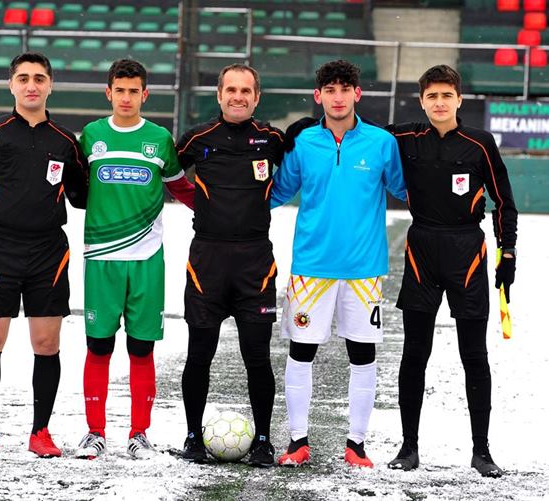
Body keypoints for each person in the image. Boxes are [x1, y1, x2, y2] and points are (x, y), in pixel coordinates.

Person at [271, 60, 407, 468]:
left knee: (362, 355)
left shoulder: (381, 143)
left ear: (357, 94)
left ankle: (357, 445)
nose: (337, 96)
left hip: (364, 270)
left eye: (345, 88)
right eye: (329, 89)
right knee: (301, 353)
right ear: (318, 96)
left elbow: (408, 189)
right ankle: (298, 441)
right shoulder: (304, 142)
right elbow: (275, 192)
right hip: (311, 267)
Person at [386, 65, 517, 478]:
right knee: (414, 353)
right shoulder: (405, 137)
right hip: (422, 250)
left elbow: (503, 201)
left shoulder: (480, 143)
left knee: (474, 356)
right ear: (422, 101)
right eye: (432, 96)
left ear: (459, 99)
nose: (439, 103)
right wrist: (309, 126)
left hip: (467, 253)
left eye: (447, 95)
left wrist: (508, 253)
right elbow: (359, 132)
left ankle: (482, 451)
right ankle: (408, 447)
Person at [0, 52, 89, 458]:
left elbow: (82, 197)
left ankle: (41, 432)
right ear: (11, 85)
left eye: (39, 78)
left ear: (50, 86)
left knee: (46, 343)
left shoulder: (65, 141)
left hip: (49, 252)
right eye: (24, 78)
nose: (32, 85)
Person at [74, 59, 194, 460]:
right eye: (120, 90)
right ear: (108, 93)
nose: (126, 98)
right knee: (99, 346)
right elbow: (72, 187)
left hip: (147, 260)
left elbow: (182, 188)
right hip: (101, 259)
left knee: (141, 349)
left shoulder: (159, 139)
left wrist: (223, 214)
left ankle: (139, 434)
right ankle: (95, 432)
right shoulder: (91, 136)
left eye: (134, 91)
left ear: (145, 94)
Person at [175, 63, 284, 466]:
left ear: (257, 97)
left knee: (257, 357)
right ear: (219, 95)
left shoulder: (273, 139)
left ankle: (263, 441)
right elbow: (170, 175)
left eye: (246, 91)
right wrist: (201, 203)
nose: (238, 96)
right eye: (231, 90)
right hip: (208, 260)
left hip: (256, 262)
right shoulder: (197, 138)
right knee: (199, 354)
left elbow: (292, 176)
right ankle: (192, 437)